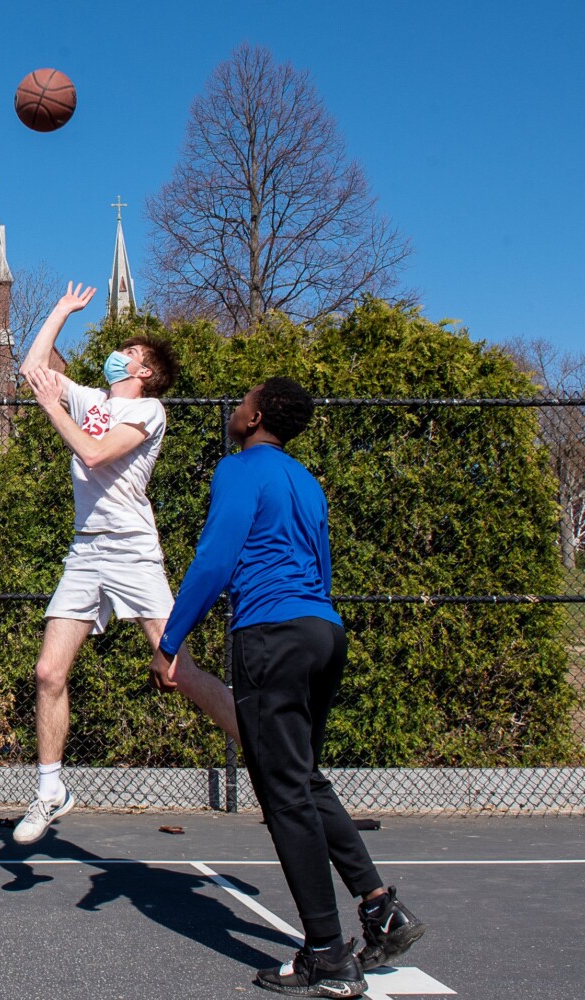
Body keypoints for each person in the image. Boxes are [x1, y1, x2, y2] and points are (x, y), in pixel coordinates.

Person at [152, 378, 426, 997]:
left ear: (255, 418)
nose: (235, 408)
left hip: (271, 635)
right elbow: (322, 564)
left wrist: (170, 643)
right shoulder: (305, 479)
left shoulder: (240, 468)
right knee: (304, 779)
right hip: (323, 631)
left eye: (243, 401)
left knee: (285, 796)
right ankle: (381, 908)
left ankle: (328, 955)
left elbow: (216, 559)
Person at [13, 283, 239, 843]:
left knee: (175, 669)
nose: (120, 353)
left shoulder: (147, 410)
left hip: (133, 550)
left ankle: (270, 756)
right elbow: (31, 369)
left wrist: (49, 408)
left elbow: (92, 453)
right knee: (47, 672)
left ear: (145, 370)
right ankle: (50, 791)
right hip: (85, 550)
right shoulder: (91, 400)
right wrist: (60, 311)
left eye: (131, 352)